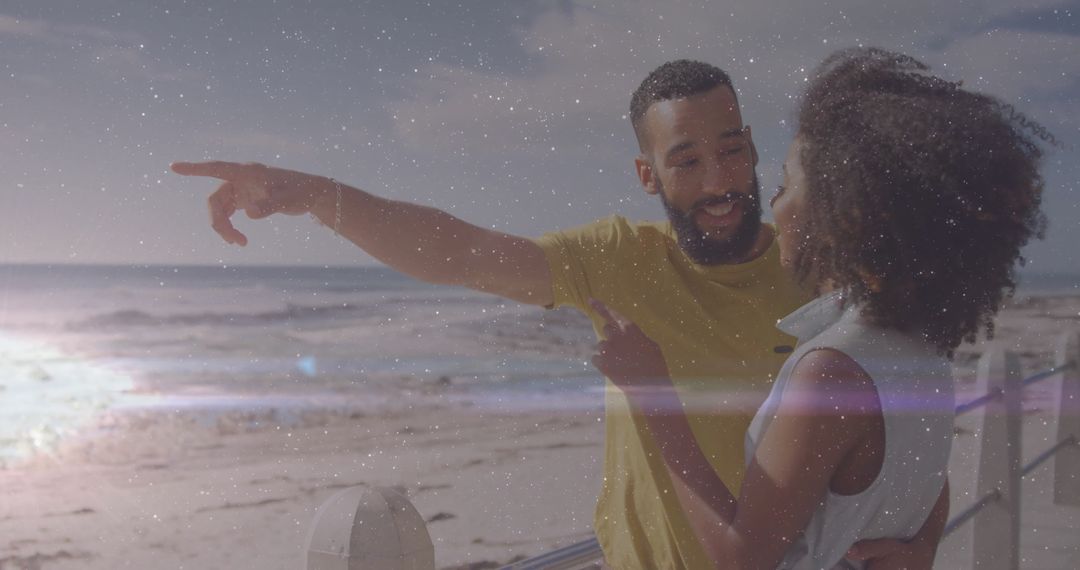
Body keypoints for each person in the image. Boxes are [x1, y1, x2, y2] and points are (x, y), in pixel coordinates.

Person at [171, 59, 947, 568]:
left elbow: (915, 431)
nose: (721, 180)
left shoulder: (817, 272)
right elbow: (460, 253)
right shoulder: (621, 260)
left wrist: (925, 540)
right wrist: (314, 195)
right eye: (687, 160)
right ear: (648, 175)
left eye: (733, 150)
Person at [590, 47, 1049, 569]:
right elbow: (925, 475)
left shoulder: (831, 372)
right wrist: (921, 546)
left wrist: (653, 396)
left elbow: (741, 560)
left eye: (786, 186)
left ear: (840, 215)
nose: (774, 205)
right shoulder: (918, 343)